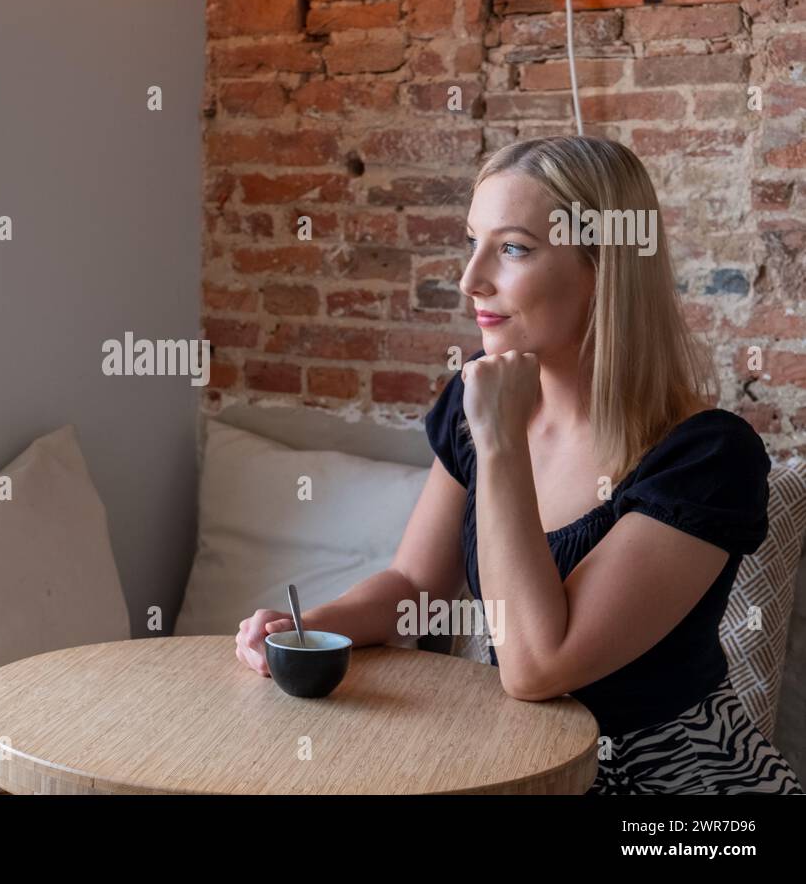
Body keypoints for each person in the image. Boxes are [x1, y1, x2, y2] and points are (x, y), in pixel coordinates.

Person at [235, 135, 803, 794]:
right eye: (471, 242)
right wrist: (303, 630)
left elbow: (538, 666)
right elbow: (417, 583)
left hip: (674, 783)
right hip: (519, 760)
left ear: (605, 266)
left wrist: (501, 442)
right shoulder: (475, 396)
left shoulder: (706, 457)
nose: (471, 279)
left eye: (512, 248)